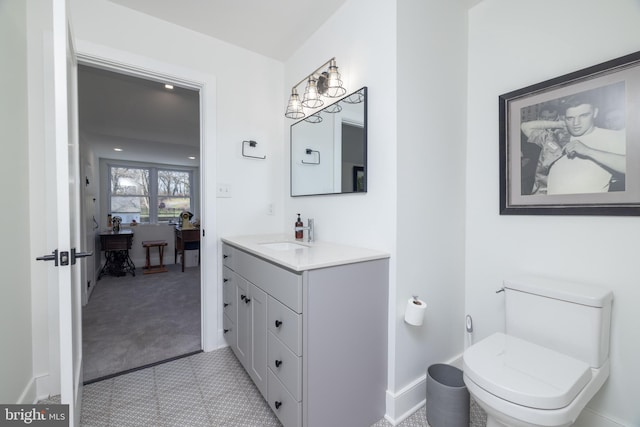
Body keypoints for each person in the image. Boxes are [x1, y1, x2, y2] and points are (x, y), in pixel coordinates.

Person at [521, 94, 625, 194]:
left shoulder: (613, 136)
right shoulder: (557, 137)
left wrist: (588, 151)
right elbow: (525, 127)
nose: (576, 123)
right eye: (570, 118)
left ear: (595, 112)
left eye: (583, 116)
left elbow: (634, 167)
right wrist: (560, 124)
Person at [521, 104, 570, 194]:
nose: (546, 121)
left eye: (550, 118)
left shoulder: (564, 134)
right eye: (543, 117)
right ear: (539, 118)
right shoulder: (537, 134)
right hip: (534, 180)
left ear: (557, 117)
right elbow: (525, 126)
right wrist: (559, 123)